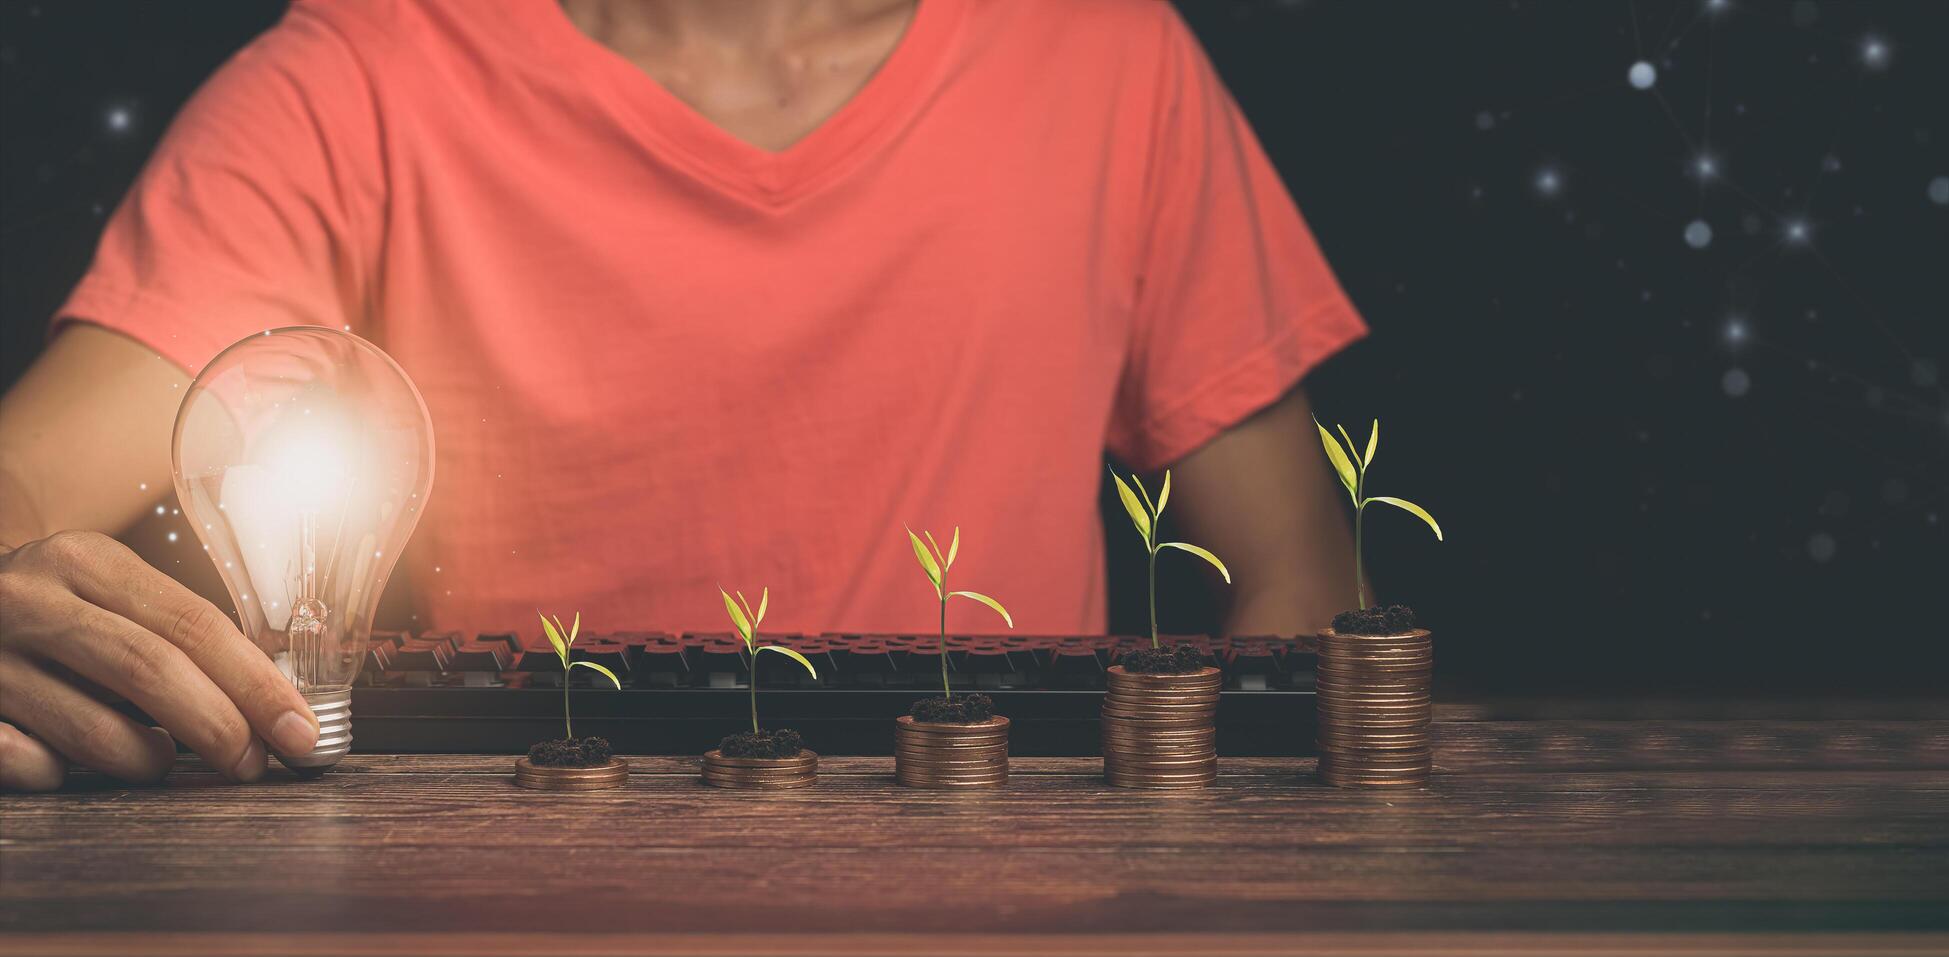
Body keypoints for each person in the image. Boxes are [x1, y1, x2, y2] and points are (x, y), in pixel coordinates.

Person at [0, 0, 1364, 792]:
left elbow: (1303, 576)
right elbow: (29, 488)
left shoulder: (1105, 55)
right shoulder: (365, 72)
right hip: (523, 916)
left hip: (1013, 903)